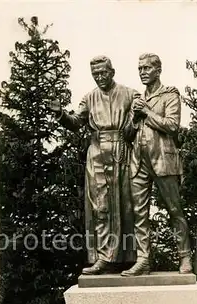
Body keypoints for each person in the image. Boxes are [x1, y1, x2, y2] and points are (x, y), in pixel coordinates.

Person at [49, 56, 139, 275]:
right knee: (100, 205)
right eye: (95, 74)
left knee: (126, 204)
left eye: (103, 72)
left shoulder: (129, 93)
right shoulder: (89, 98)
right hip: (97, 152)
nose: (99, 77)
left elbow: (137, 120)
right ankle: (102, 257)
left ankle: (128, 257)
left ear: (112, 71)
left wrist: (132, 123)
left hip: (121, 151)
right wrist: (60, 114)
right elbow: (76, 123)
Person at [121, 53, 192, 277]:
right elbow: (127, 134)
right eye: (140, 68)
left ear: (158, 70)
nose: (142, 72)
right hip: (139, 161)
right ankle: (143, 260)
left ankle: (185, 256)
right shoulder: (138, 100)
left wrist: (146, 112)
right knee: (139, 213)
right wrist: (134, 117)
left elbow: (172, 126)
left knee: (174, 209)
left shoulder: (169, 95)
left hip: (163, 160)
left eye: (147, 68)